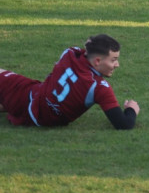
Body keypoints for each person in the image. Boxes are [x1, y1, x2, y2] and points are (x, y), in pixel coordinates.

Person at [0, 34, 139, 129]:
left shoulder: (69, 53)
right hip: (39, 119)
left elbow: (85, 50)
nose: (117, 64)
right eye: (113, 60)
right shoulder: (99, 88)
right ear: (97, 61)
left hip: (28, 97)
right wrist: (132, 109)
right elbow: (123, 124)